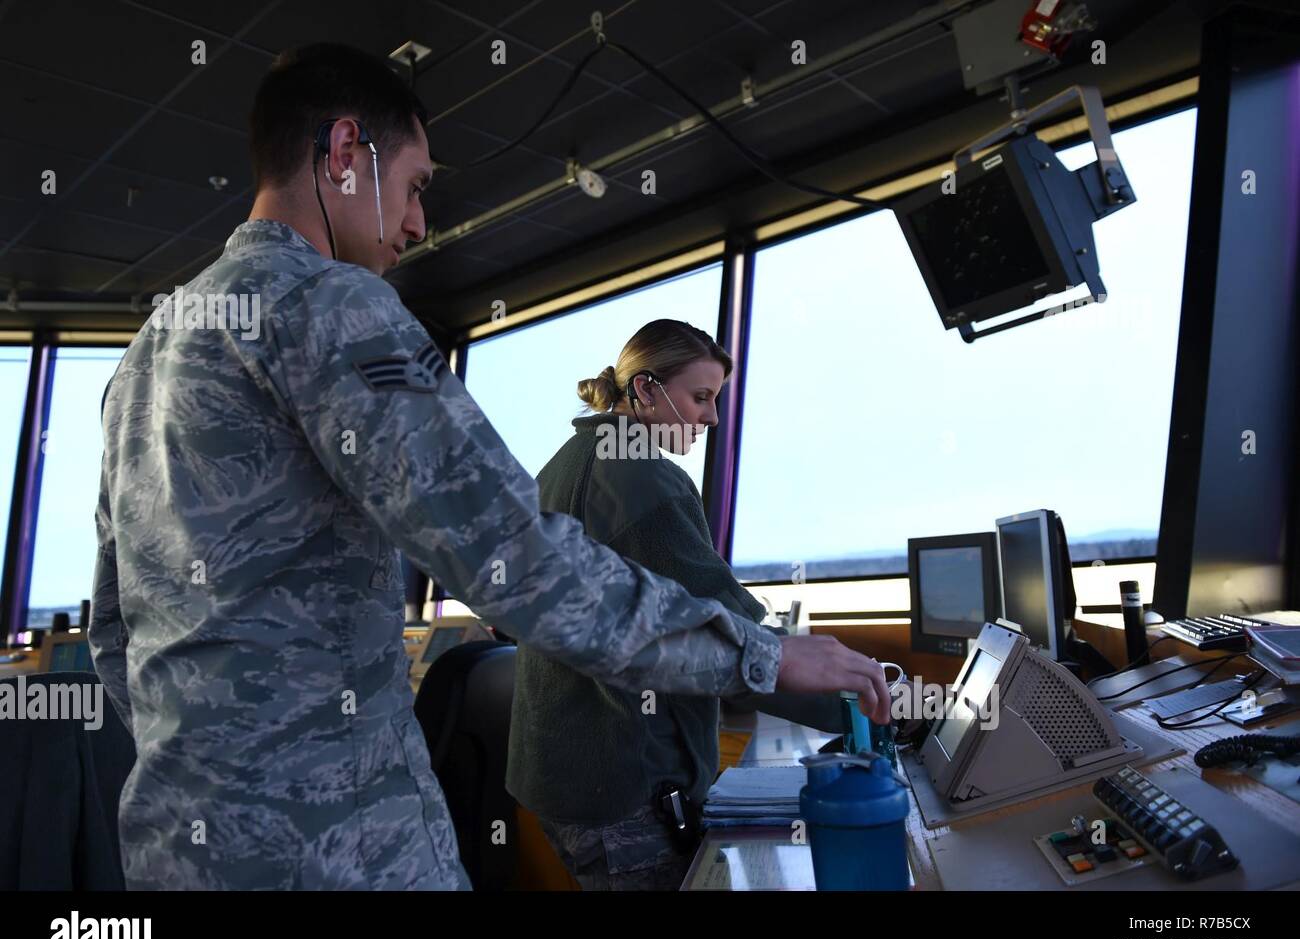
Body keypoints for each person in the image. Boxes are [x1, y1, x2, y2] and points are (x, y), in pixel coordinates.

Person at [88, 43, 892, 890]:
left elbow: (116, 632)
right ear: (343, 153)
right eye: (415, 184)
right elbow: (514, 554)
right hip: (335, 850)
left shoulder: (143, 357)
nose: (417, 223)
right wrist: (761, 656)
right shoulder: (331, 304)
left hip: (175, 850)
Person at [508, 320, 848, 890]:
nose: (711, 418)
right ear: (644, 390)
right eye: (700, 398)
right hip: (623, 785)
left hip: (561, 779)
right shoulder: (641, 477)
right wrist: (867, 710)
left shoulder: (564, 462)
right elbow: (738, 638)